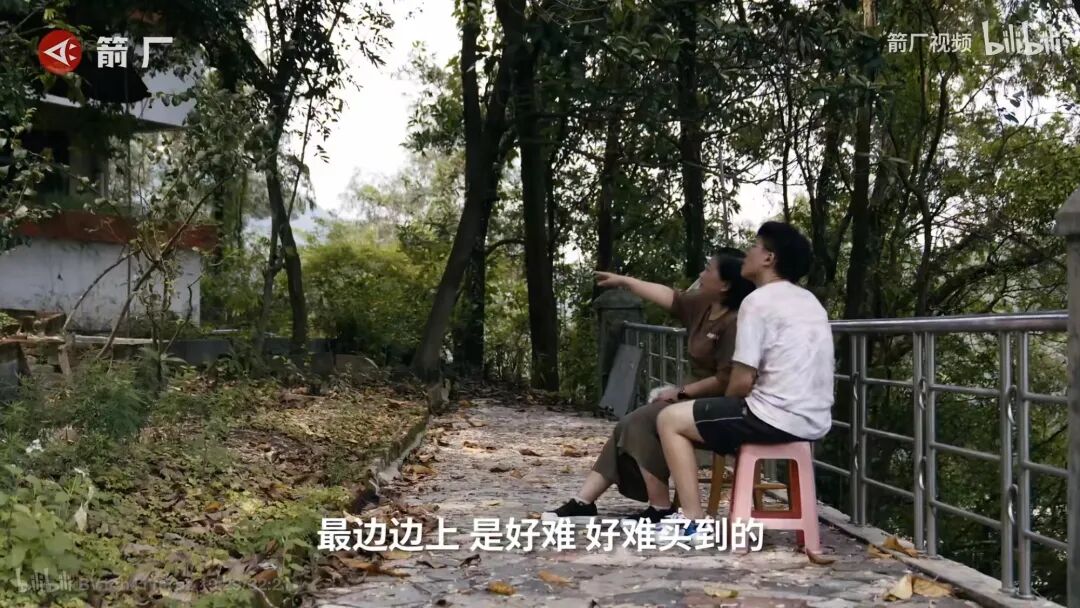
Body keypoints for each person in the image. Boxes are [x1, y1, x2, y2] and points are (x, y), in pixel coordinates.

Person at [543, 252, 756, 523]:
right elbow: (670, 297)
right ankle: (584, 502)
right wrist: (626, 281)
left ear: (725, 284)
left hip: (714, 404)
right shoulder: (704, 305)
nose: (701, 274)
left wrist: (681, 392)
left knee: (640, 421)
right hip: (688, 398)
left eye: (708, 269)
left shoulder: (735, 322)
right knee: (629, 424)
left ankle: (659, 508)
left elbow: (726, 379)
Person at [655, 221, 834, 530]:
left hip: (772, 417)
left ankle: (692, 521)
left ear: (768, 258)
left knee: (669, 419)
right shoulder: (810, 302)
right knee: (702, 416)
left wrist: (717, 416)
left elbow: (740, 383)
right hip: (814, 420)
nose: (747, 252)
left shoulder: (757, 302)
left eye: (754, 246)